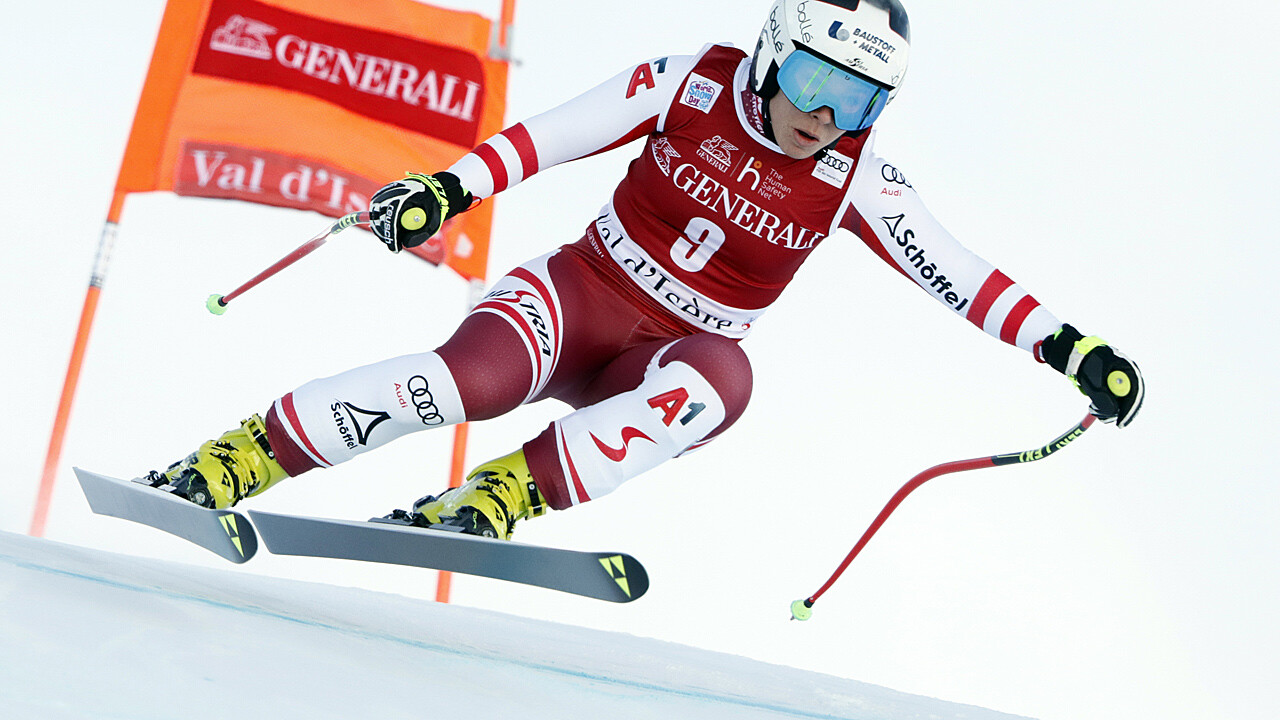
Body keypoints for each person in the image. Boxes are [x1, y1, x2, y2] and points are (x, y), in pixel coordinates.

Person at [144, 0, 1143, 540]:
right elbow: (548, 135)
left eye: (859, 101)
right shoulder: (688, 85)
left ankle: (497, 499)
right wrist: (445, 191)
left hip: (661, 359)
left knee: (725, 384)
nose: (825, 117)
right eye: (812, 81)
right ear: (772, 49)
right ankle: (232, 460)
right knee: (468, 383)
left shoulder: (852, 180)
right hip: (577, 299)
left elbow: (961, 276)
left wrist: (1071, 350)